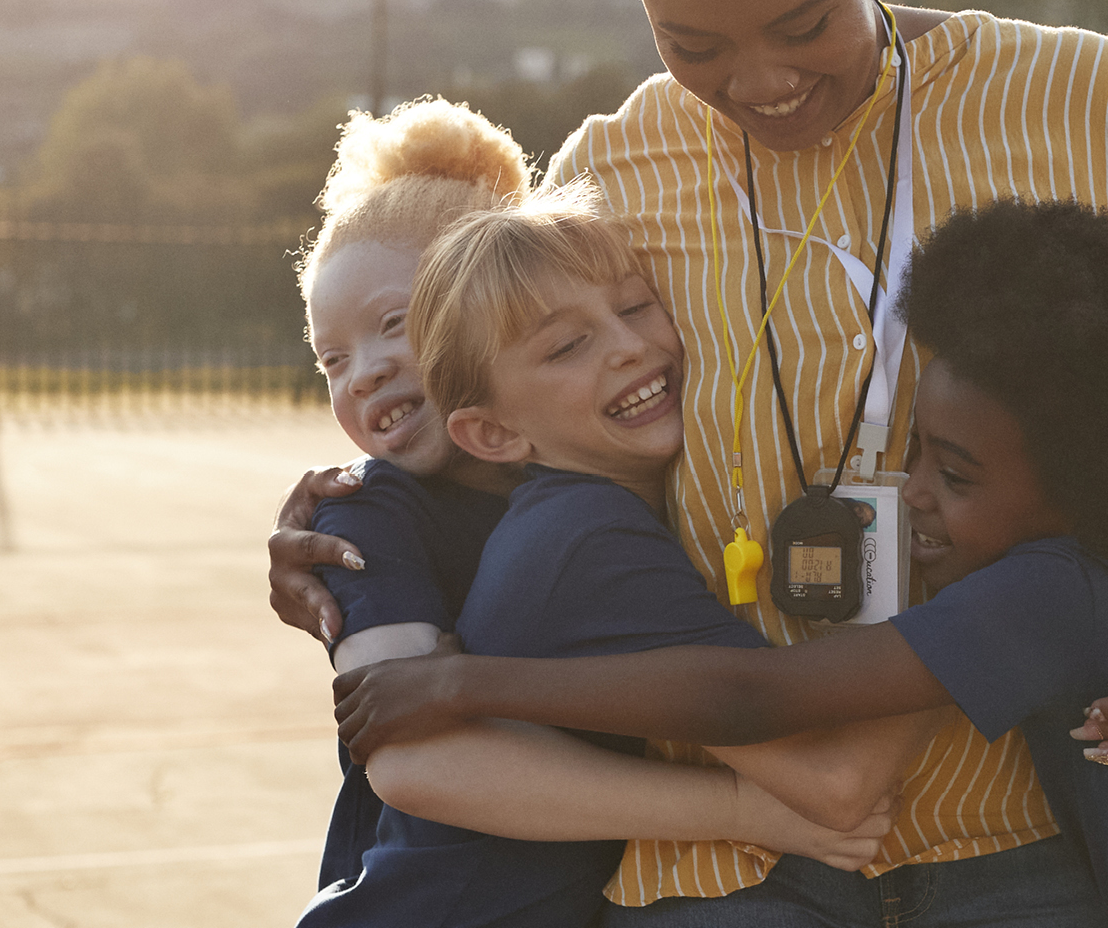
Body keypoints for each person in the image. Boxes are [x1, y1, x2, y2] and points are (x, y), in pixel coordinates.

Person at [273, 0, 1108, 923]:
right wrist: (352, 518)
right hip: (718, 868)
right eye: (695, 46)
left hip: (1030, 833)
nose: (758, 80)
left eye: (801, 24)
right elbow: (501, 408)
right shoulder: (610, 169)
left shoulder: (1084, 100)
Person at [337, 200, 1108, 927]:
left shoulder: (1062, 586)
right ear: (490, 433)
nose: (626, 345)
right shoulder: (580, 539)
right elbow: (826, 768)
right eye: (565, 345)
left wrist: (471, 677)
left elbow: (769, 700)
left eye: (632, 306)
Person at [291, 99, 898, 926]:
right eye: (331, 358)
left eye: (395, 324)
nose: (360, 373)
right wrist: (745, 810)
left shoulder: (584, 479)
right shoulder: (373, 511)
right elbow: (413, 767)